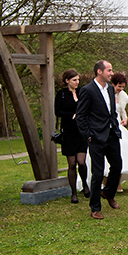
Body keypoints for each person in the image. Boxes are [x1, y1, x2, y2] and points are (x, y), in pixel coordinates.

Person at [75, 59, 122, 220]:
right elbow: (80, 116)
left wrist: (115, 126)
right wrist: (88, 134)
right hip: (96, 137)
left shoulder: (110, 89)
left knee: (117, 166)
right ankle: (95, 207)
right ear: (99, 72)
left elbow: (111, 111)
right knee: (98, 172)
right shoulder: (87, 90)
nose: (112, 73)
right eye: (109, 70)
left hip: (112, 134)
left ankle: (108, 193)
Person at [54, 68, 89, 204]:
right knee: (72, 163)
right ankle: (73, 192)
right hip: (69, 131)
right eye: (74, 80)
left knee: (81, 161)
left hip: (81, 131)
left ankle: (85, 184)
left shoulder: (82, 92)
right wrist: (71, 115)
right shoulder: (61, 94)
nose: (77, 82)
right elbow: (58, 111)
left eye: (78, 80)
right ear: (67, 81)